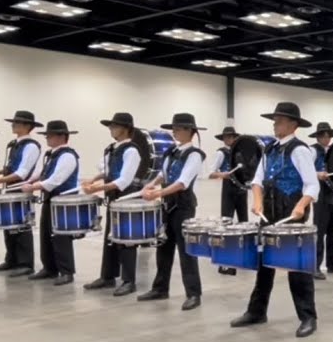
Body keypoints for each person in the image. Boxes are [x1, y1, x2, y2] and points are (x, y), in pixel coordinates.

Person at [230, 102, 320, 338]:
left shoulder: (300, 150)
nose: (275, 124)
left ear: (292, 125)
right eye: (275, 120)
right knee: (263, 264)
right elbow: (257, 181)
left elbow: (312, 185)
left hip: (292, 213)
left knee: (297, 267)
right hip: (268, 214)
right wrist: (257, 201)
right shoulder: (269, 150)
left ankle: (308, 317)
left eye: (279, 121)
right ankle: (257, 311)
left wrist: (301, 206)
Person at [139, 113, 205, 311]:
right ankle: (160, 288)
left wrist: (158, 192)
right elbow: (163, 175)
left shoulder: (194, 155)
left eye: (178, 128)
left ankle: (193, 293)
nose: (174, 131)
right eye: (174, 128)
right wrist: (149, 186)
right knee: (163, 248)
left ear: (190, 131)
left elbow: (182, 182)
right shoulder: (171, 152)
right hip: (168, 205)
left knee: (187, 251)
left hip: (184, 206)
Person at [81, 112, 148, 297]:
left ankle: (129, 280)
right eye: (111, 126)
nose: (111, 129)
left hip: (126, 197)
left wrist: (97, 188)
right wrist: (93, 179)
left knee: (126, 239)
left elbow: (124, 180)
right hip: (113, 197)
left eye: (114, 126)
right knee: (110, 237)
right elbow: (109, 171)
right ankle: (108, 276)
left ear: (126, 129)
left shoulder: (132, 150)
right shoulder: (112, 148)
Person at [0, 110, 42, 276]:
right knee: (9, 225)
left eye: (18, 123)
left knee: (22, 226)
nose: (13, 125)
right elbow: (11, 166)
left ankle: (25, 263)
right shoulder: (14, 144)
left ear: (28, 126)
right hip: (9, 188)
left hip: (21, 188)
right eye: (14, 122)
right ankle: (11, 259)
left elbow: (22, 172)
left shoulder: (31, 146)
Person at [23, 120, 80, 286]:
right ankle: (49, 268)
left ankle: (66, 271)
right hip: (50, 199)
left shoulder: (68, 155)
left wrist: (33, 186)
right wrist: (31, 180)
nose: (47, 137)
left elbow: (56, 179)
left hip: (63, 201)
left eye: (50, 135)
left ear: (62, 136)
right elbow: (42, 173)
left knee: (61, 236)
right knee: (46, 234)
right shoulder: (51, 154)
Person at [309, 121, 333, 279]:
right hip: (320, 195)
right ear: (318, 136)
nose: (326, 138)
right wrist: (317, 174)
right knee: (319, 232)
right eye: (323, 136)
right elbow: (304, 169)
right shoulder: (312, 150)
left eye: (328, 136)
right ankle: (315, 266)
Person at [209, 126, 250, 276]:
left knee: (244, 223)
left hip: (242, 188)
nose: (229, 139)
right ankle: (225, 262)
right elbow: (211, 173)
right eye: (227, 137)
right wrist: (222, 174)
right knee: (226, 224)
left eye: (232, 137)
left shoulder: (241, 153)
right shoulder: (221, 153)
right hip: (228, 190)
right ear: (223, 139)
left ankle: (245, 256)